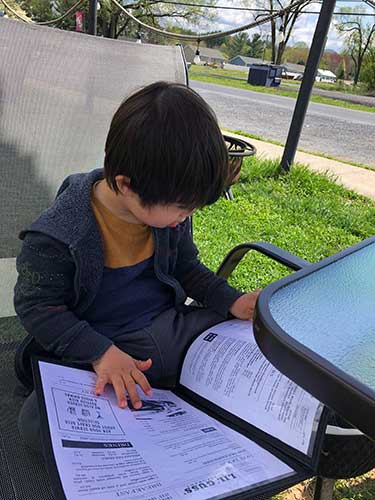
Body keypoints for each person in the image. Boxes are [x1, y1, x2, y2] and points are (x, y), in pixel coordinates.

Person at [14, 81, 260, 452]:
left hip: (168, 327)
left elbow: (187, 268)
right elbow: (36, 307)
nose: (186, 217)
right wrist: (100, 353)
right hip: (103, 343)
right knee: (36, 426)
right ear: (126, 185)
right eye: (182, 208)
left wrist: (231, 300)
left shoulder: (166, 208)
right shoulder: (59, 235)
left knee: (251, 341)